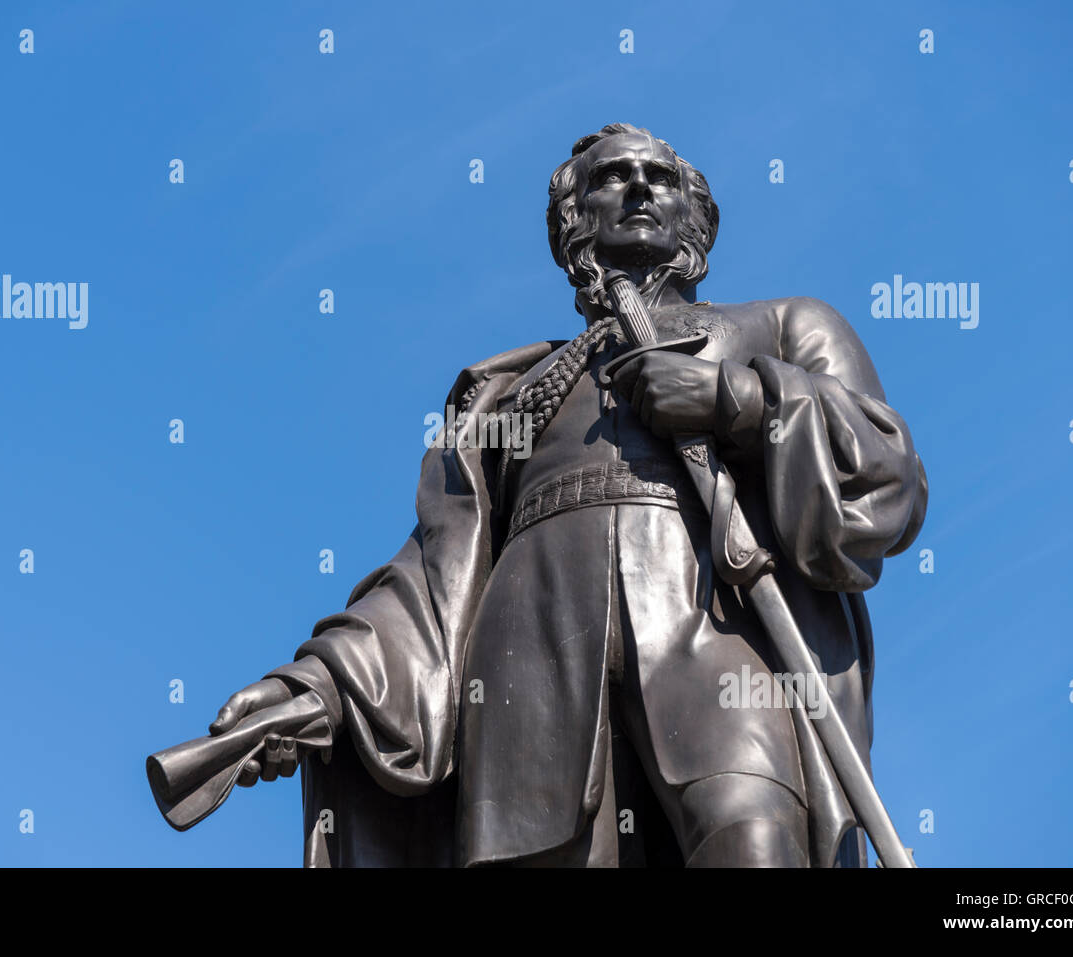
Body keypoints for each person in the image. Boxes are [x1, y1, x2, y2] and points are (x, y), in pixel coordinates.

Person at [207, 123, 928, 867]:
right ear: (573, 222)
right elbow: (436, 575)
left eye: (663, 177)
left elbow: (883, 471)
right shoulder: (507, 399)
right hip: (528, 644)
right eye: (613, 177)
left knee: (753, 832)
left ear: (696, 217)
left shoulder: (780, 325)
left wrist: (732, 399)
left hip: (722, 617)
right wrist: (321, 685)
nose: (642, 187)